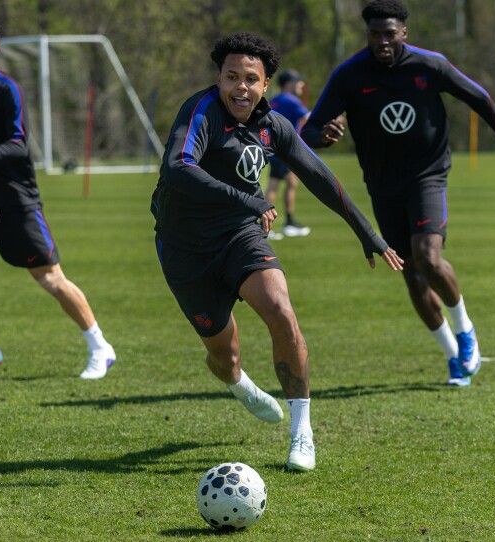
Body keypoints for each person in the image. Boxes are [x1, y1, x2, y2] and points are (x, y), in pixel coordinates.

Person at [151, 32, 403, 472]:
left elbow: (318, 175)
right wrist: (249, 199)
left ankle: (301, 431)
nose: (240, 87)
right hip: (184, 248)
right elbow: (178, 168)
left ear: (266, 85)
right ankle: (241, 385)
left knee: (282, 311)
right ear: (219, 78)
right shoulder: (200, 110)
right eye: (232, 77)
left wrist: (366, 232)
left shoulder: (273, 126)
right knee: (223, 355)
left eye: (251, 79)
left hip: (240, 236)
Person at [301, 0, 495, 386]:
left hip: (428, 175)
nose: (382, 42)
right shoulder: (349, 75)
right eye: (375, 35)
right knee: (411, 272)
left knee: (429, 257)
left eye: (389, 34)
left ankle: (464, 330)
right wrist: (323, 136)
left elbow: (479, 97)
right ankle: (452, 357)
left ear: (404, 33)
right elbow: (309, 131)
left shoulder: (429, 66)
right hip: (382, 185)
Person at [0, 12, 116, 381]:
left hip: (17, 202)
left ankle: (100, 346)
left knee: (50, 279)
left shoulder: (6, 90)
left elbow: (18, 146)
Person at [265, 69, 311, 239]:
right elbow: (308, 117)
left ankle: (286, 222)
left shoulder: (275, 100)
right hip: (284, 150)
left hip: (274, 147)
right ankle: (270, 224)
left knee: (288, 182)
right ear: (288, 84)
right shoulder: (291, 100)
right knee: (275, 184)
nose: (301, 84)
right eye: (297, 81)